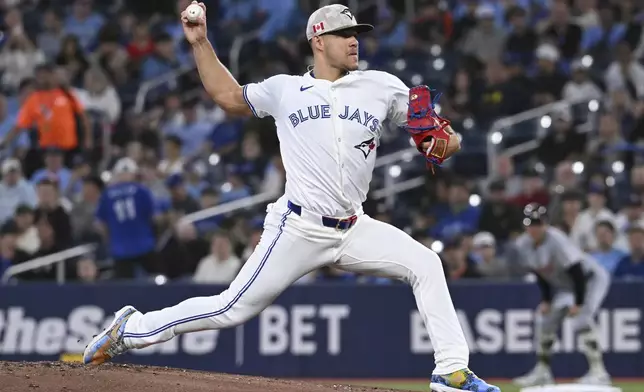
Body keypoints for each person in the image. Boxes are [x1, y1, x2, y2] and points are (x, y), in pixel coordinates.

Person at [83, 4, 499, 392]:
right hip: (298, 227)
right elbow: (228, 97)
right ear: (318, 40)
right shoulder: (285, 90)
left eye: (357, 34)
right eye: (344, 34)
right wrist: (200, 43)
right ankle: (131, 330)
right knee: (231, 308)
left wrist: (446, 140)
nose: (355, 41)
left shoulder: (381, 86)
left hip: (354, 226)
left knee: (426, 263)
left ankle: (450, 372)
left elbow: (441, 139)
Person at [513, 203, 611, 387]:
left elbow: (577, 270)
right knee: (544, 320)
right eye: (530, 224)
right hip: (565, 285)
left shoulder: (556, 239)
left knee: (582, 320)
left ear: (545, 224)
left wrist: (579, 303)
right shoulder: (524, 244)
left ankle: (599, 373)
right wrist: (547, 300)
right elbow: (540, 273)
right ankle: (543, 372)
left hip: (589, 280)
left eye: (537, 223)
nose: (534, 228)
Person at [95, 158, 158, 279]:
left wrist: (110, 239)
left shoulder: (107, 194)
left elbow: (100, 224)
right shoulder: (141, 191)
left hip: (120, 248)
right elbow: (153, 216)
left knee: (124, 289)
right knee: (156, 281)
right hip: (144, 244)